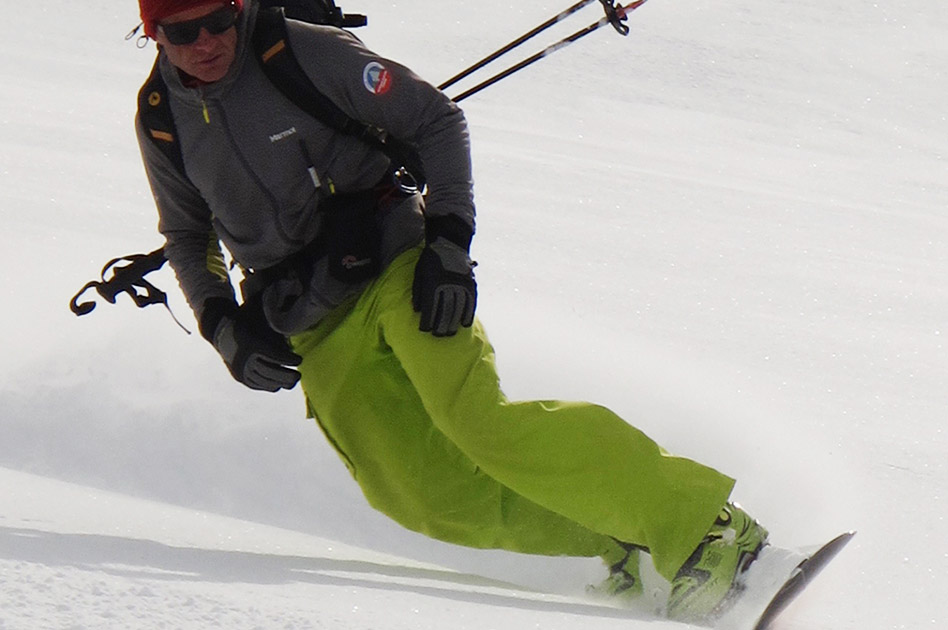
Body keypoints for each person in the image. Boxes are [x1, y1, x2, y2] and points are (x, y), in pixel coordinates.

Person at [134, 0, 769, 622]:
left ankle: (708, 530)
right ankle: (619, 542)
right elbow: (188, 235)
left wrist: (448, 243)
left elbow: (435, 119)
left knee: (477, 421)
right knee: (414, 491)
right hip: (311, 317)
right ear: (154, 32)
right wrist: (220, 324)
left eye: (220, 20)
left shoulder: (299, 51)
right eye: (185, 31)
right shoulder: (161, 116)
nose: (208, 41)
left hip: (395, 262)